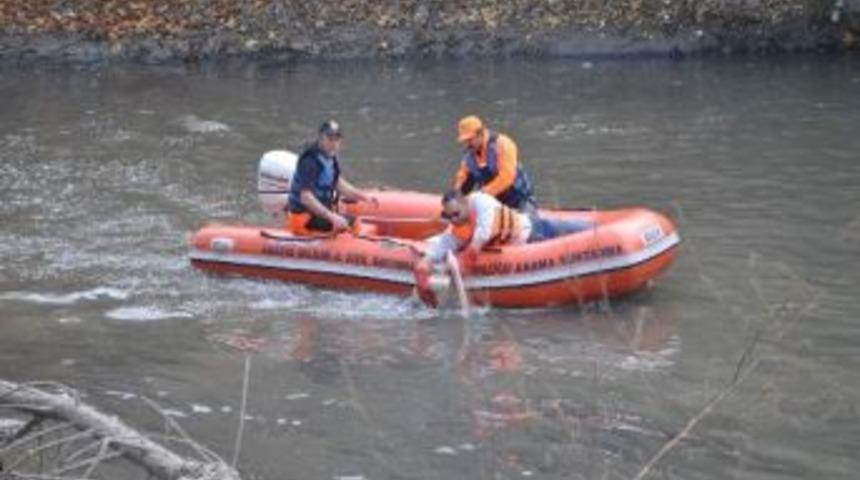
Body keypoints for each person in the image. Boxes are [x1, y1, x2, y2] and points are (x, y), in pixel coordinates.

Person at [413, 190, 591, 306]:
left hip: (536, 230)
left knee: (590, 234)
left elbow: (479, 241)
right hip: (524, 248)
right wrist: (421, 276)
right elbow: (433, 255)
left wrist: (461, 264)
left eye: (456, 213)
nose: (454, 219)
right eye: (449, 216)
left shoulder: (481, 203)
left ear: (465, 203)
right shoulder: (455, 230)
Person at [286, 120, 376, 235]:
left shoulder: (330, 158)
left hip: (317, 214)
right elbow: (306, 198)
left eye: (337, 139)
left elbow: (339, 184)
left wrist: (364, 197)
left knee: (352, 221)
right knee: (353, 224)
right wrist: (332, 217)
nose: (333, 144)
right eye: (330, 139)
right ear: (321, 138)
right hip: (304, 218)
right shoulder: (310, 162)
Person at [451, 115, 536, 212]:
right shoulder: (469, 155)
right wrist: (456, 196)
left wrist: (482, 194)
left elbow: (507, 177)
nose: (467, 144)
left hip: (519, 200)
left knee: (527, 223)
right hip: (491, 202)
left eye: (470, 140)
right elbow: (463, 177)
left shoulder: (503, 145)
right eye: (464, 141)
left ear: (480, 133)